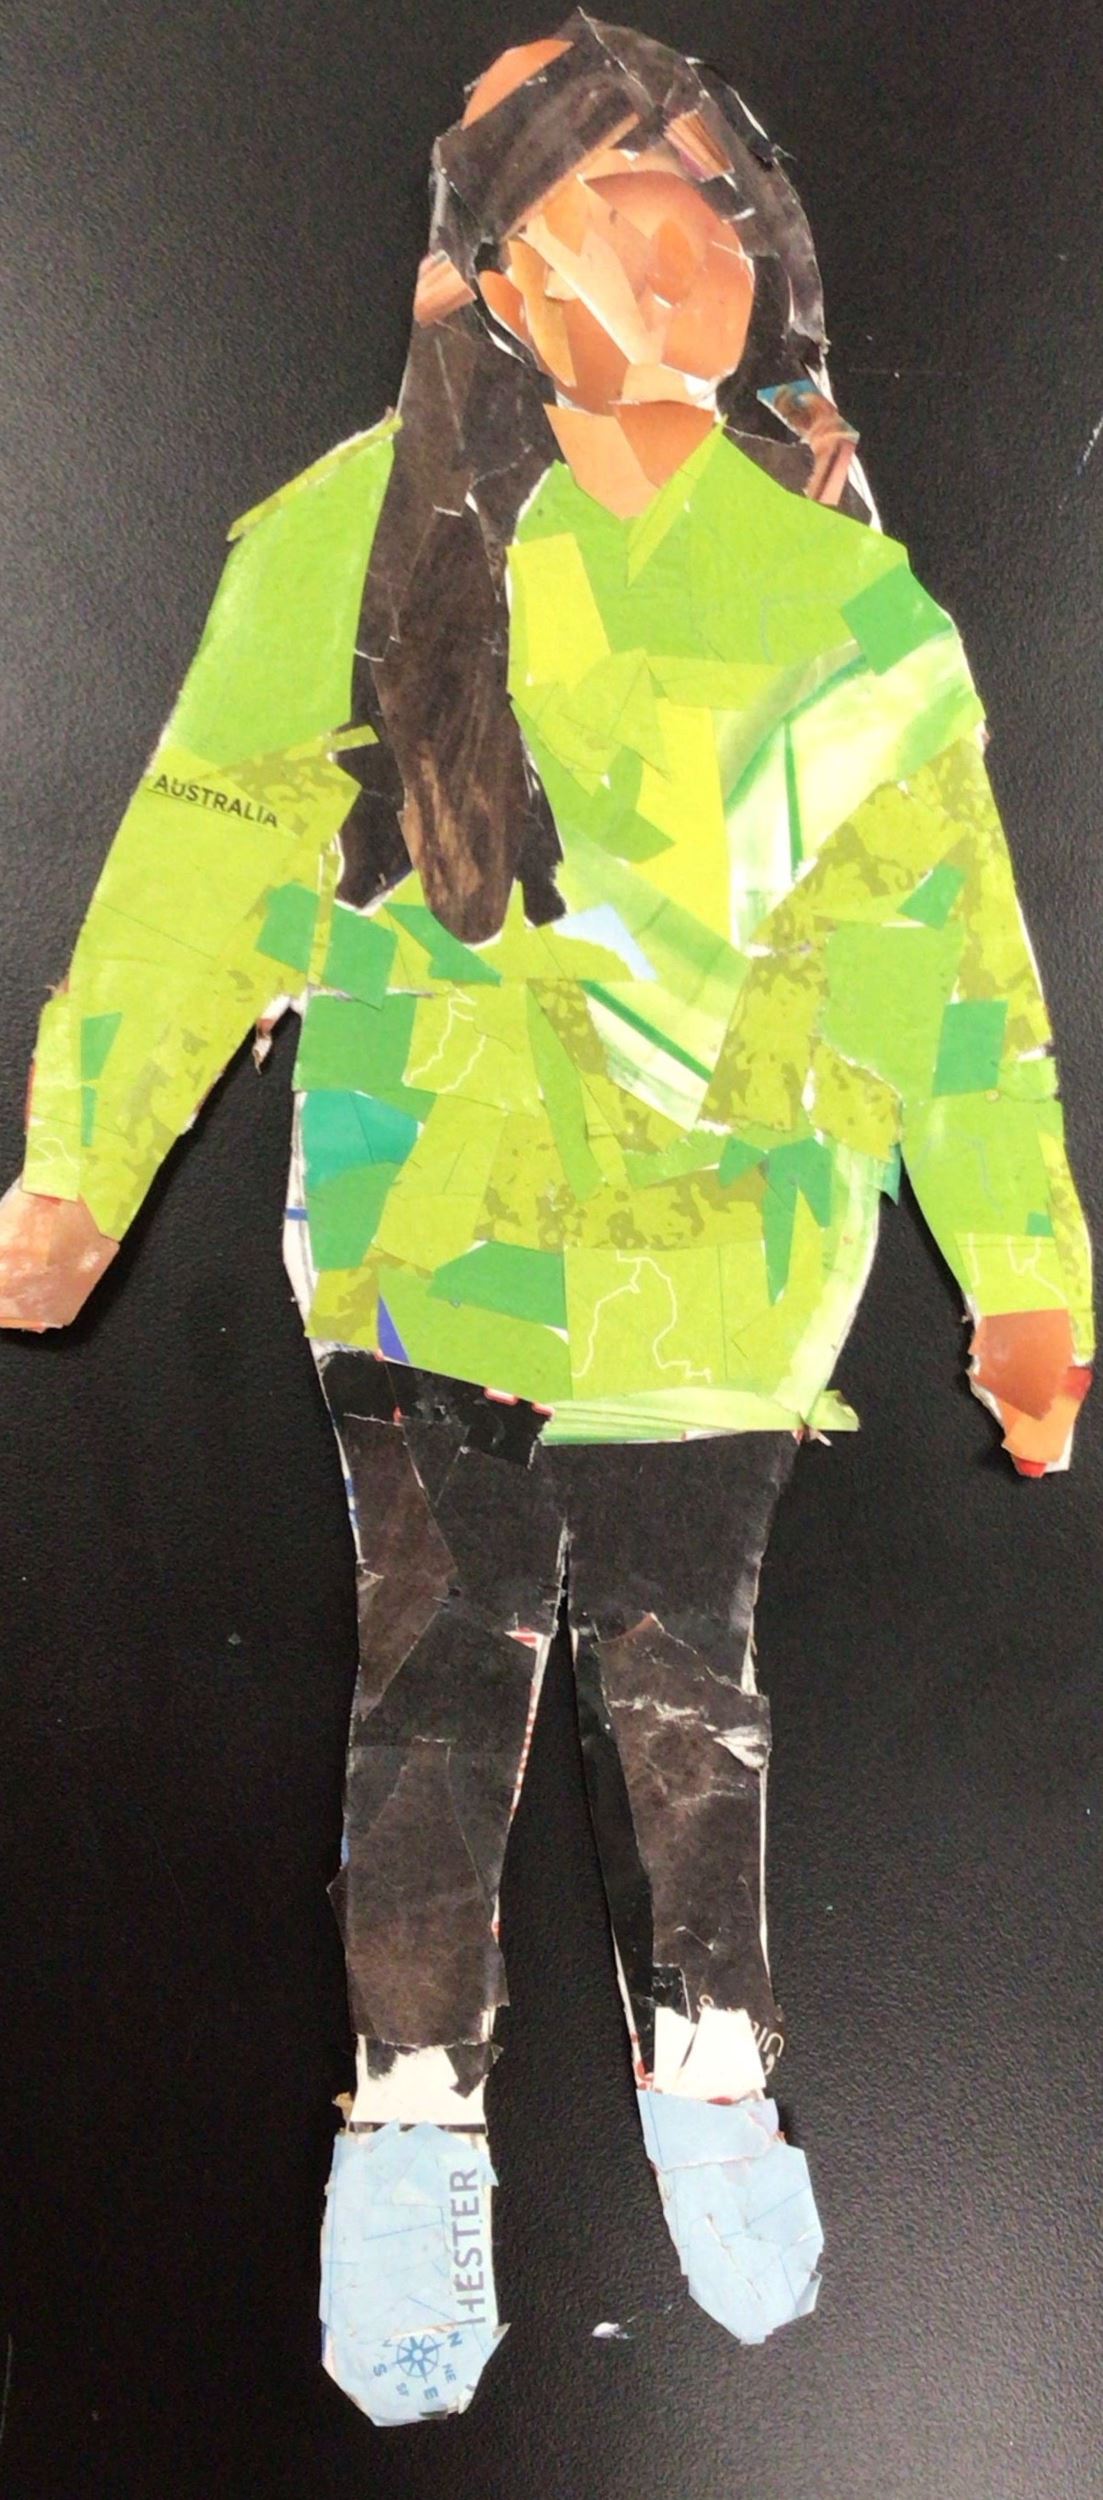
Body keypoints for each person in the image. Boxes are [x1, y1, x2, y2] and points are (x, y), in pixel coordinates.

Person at [0, 16, 1092, 2427]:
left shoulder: (854, 615)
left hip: (724, 1280)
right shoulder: (355, 531)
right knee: (434, 1687)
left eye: (710, 201)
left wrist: (1025, 1272)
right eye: (606, 200)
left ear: (766, 259)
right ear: (495, 265)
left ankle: (714, 2076)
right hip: (436, 1249)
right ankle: (411, 2131)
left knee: (690, 1692)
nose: (667, 247)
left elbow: (949, 968)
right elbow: (203, 847)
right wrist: (84, 1158)